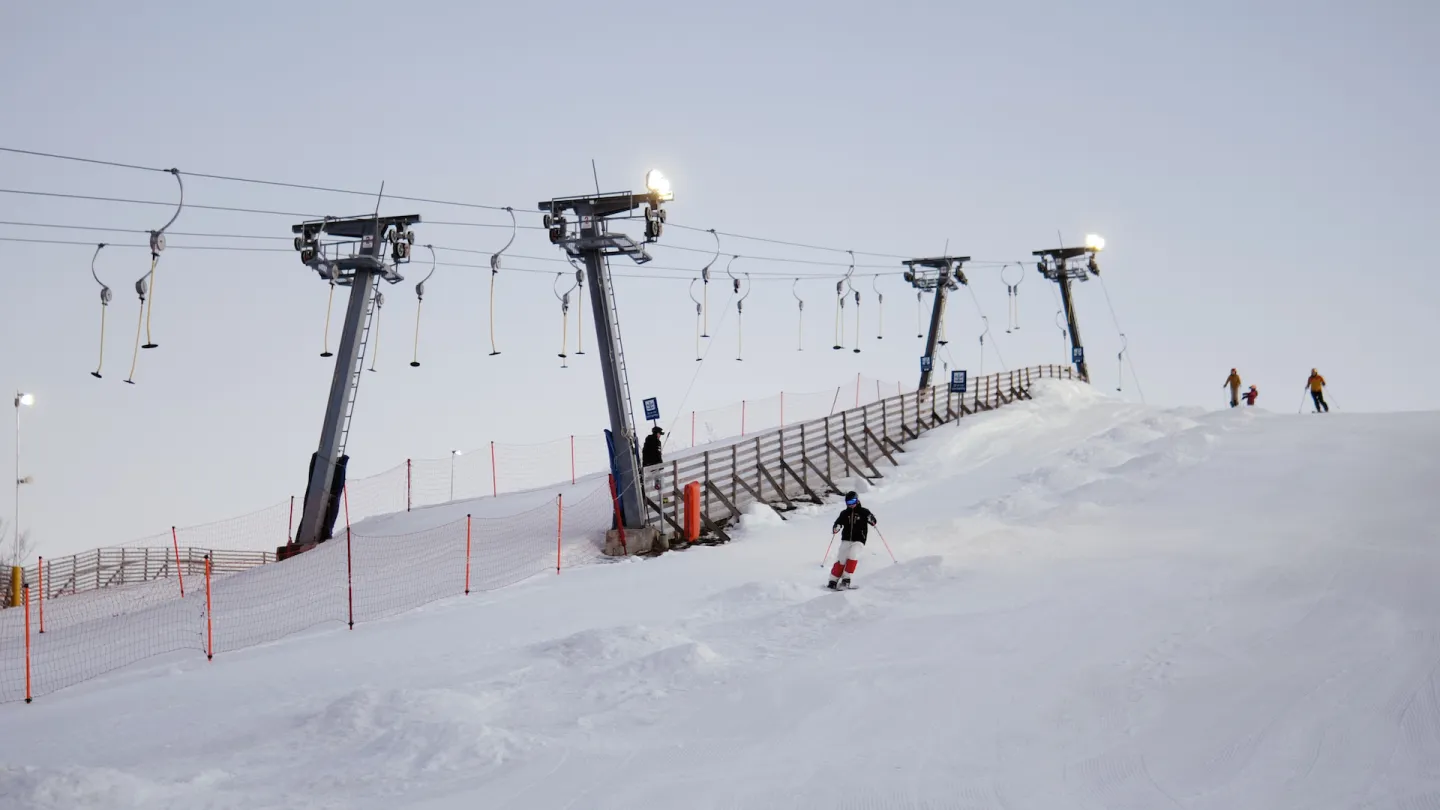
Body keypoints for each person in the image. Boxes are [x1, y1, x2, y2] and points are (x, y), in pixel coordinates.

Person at [828, 491, 877, 590]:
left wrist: (871, 519)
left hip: (859, 539)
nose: (852, 505)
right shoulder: (844, 513)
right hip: (846, 539)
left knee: (852, 555)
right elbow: (837, 524)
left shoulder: (864, 512)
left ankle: (846, 579)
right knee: (841, 557)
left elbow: (873, 522)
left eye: (853, 501)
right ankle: (833, 580)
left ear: (857, 500)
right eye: (849, 503)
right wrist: (836, 528)